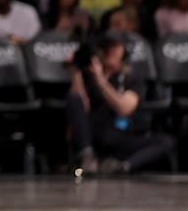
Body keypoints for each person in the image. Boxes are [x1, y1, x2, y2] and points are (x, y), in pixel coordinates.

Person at [66, 31, 175, 174]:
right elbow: (80, 103)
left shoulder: (132, 78)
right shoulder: (89, 75)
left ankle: (122, 166)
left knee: (165, 141)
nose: (110, 51)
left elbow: (124, 108)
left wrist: (101, 81)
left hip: (120, 134)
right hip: (94, 133)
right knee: (73, 99)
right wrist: (76, 71)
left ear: (124, 51)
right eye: (106, 47)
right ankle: (87, 156)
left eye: (115, 47)